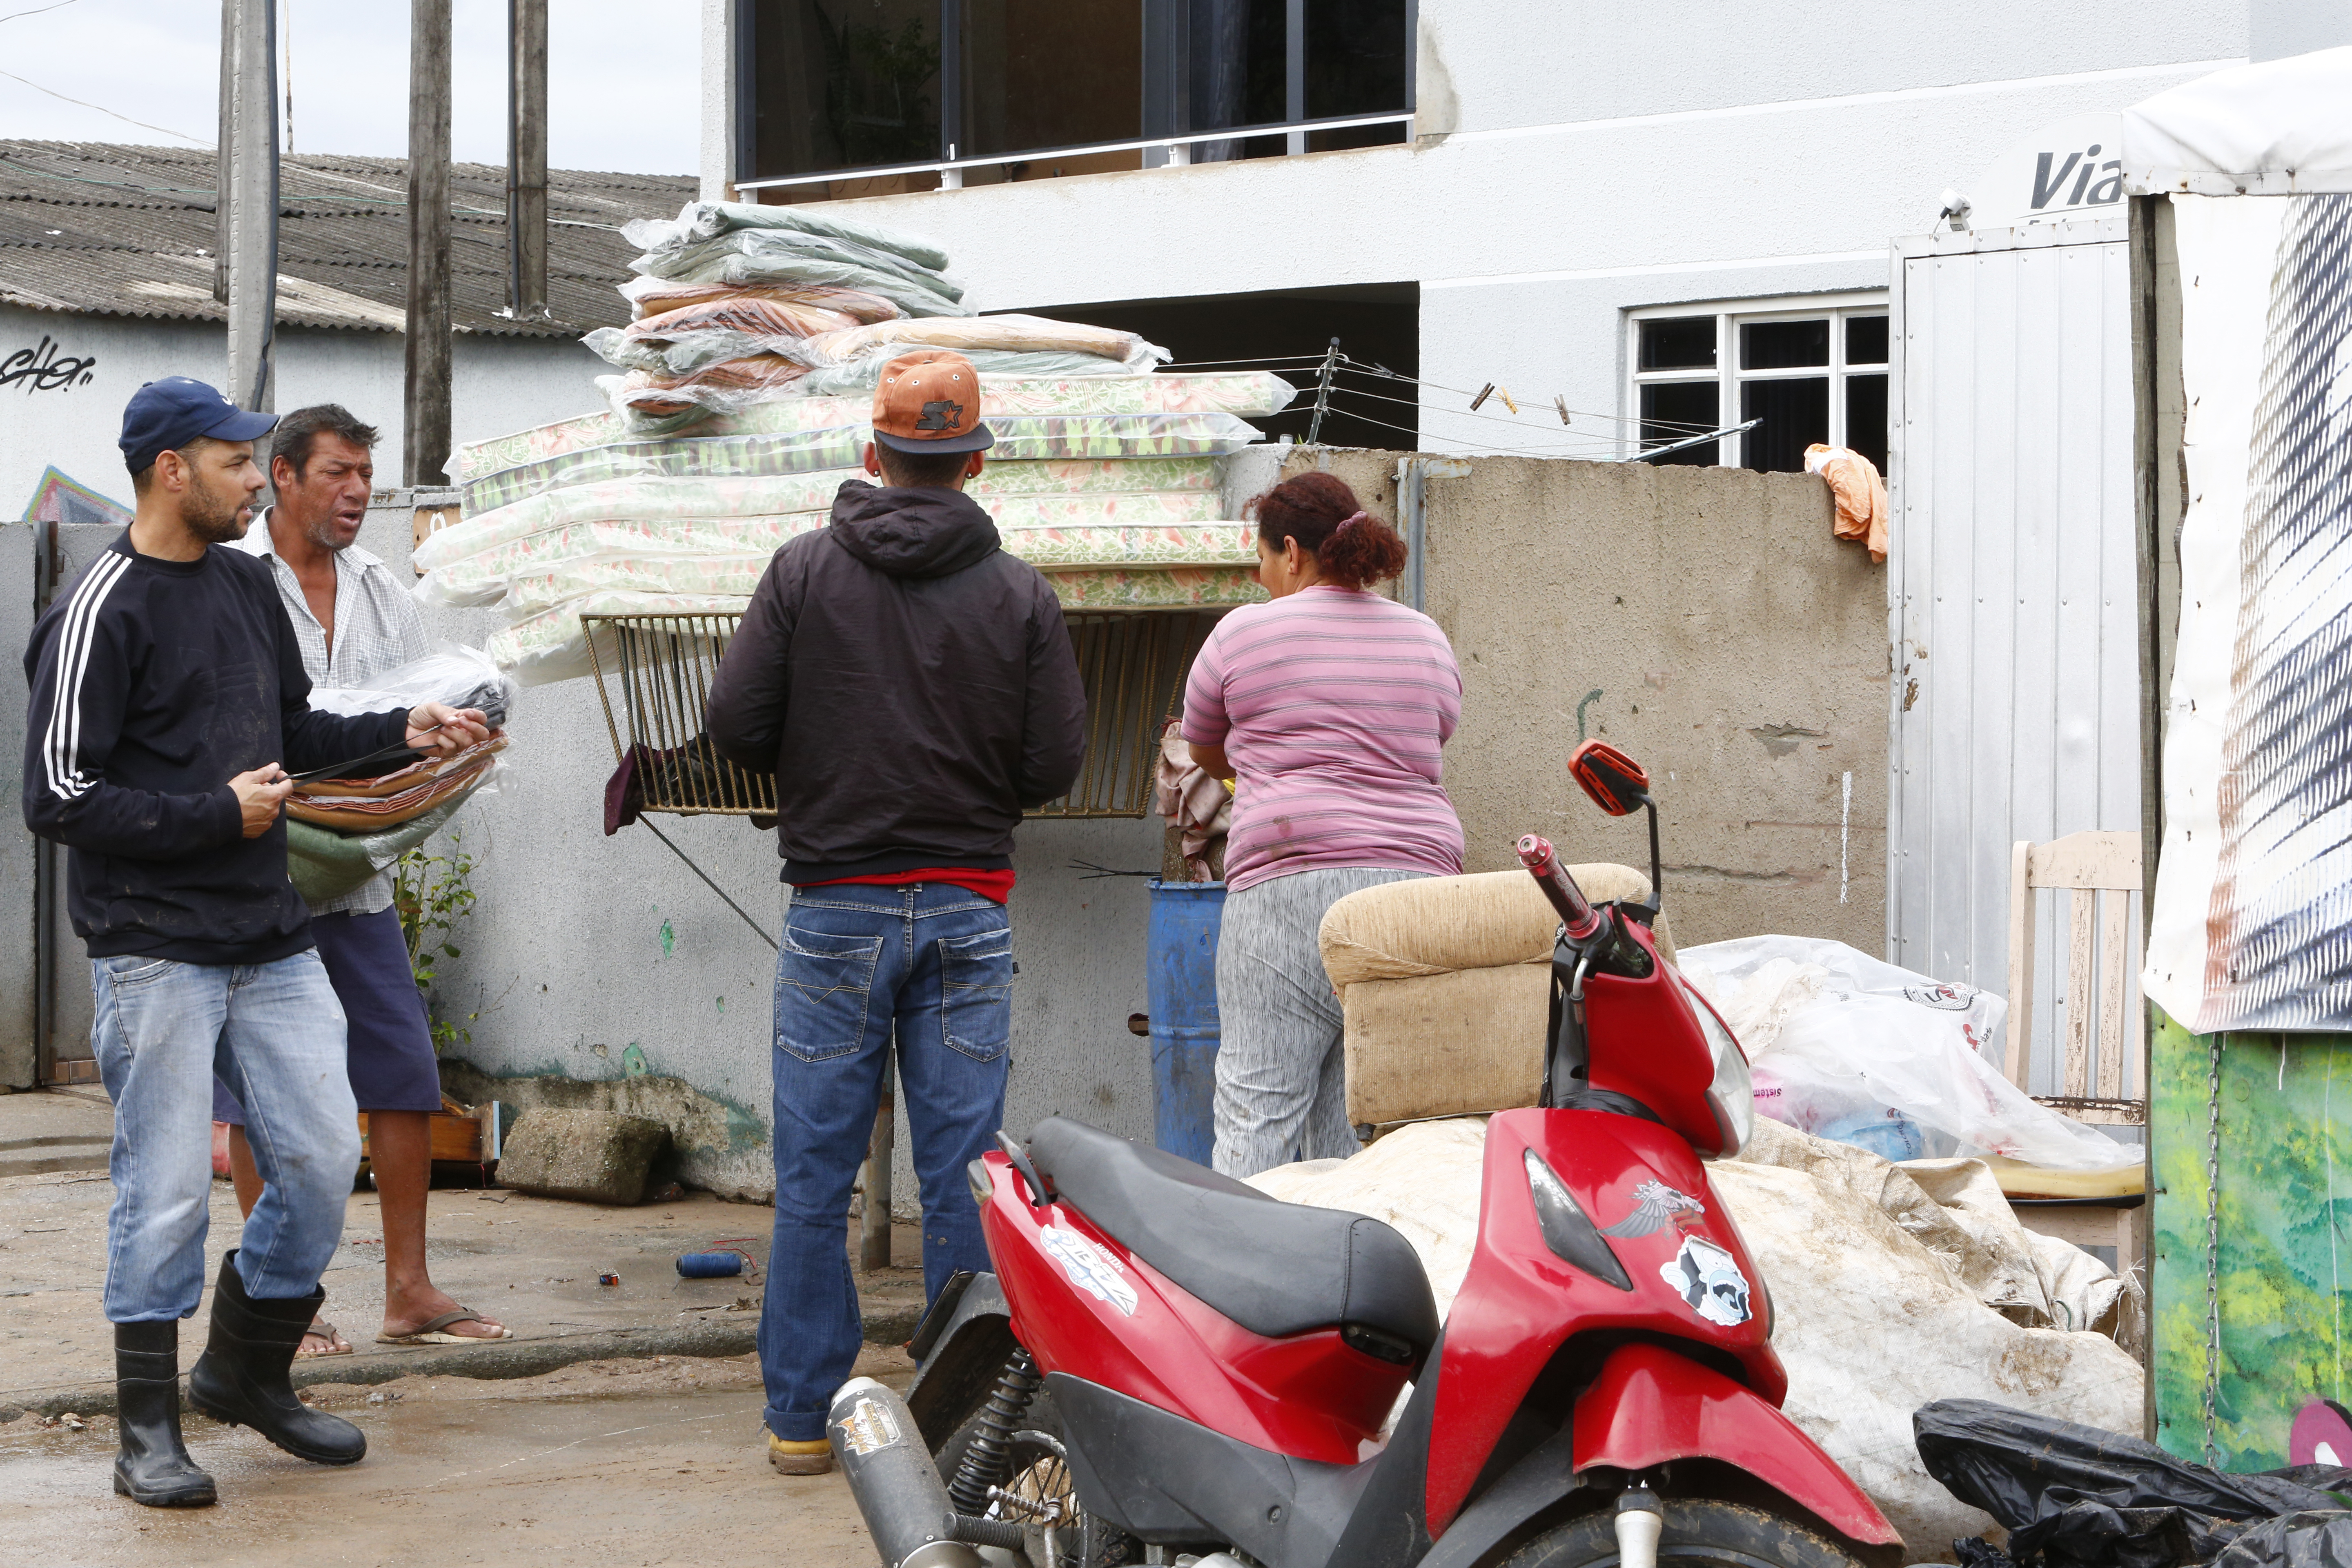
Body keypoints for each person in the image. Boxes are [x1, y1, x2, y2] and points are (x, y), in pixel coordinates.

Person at [18, 377, 490, 1508]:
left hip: (269, 933)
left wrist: (400, 728)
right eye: (237, 462)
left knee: (327, 1157)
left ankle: (245, 1369)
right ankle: (147, 1429)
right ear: (172, 468)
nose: (253, 480)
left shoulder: (239, 585)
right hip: (153, 945)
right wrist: (212, 816)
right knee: (168, 1186)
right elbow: (56, 794)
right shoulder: (101, 608)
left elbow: (294, 723)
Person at [706, 350, 1088, 1477]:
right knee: (965, 1169)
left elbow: (733, 725)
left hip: (837, 906)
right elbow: (1055, 760)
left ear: (873, 456)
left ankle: (801, 1425)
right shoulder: (1019, 591)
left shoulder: (803, 571)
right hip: (967, 906)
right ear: (975, 460)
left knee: (817, 1175)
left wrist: (823, 766)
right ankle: (955, 1429)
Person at [208, 404, 510, 1355]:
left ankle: (410, 1291)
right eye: (337, 474)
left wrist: (451, 738)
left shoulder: (381, 586)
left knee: (404, 1074)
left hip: (356, 872)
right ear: (284, 476)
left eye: (365, 479)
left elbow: (398, 711)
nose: (355, 495)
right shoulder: (230, 580)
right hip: (255, 868)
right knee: (258, 1089)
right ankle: (280, 1296)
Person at [1183, 471, 1466, 1178]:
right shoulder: (1425, 637)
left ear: (1290, 551)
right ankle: (1367, 1282)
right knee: (1372, 1127)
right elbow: (1431, 739)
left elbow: (1203, 745)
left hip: (1287, 887)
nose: (1259, 573)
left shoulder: (1244, 631)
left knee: (1259, 1108)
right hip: (1414, 901)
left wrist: (1254, 777)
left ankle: (1241, 1286)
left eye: (1263, 558)